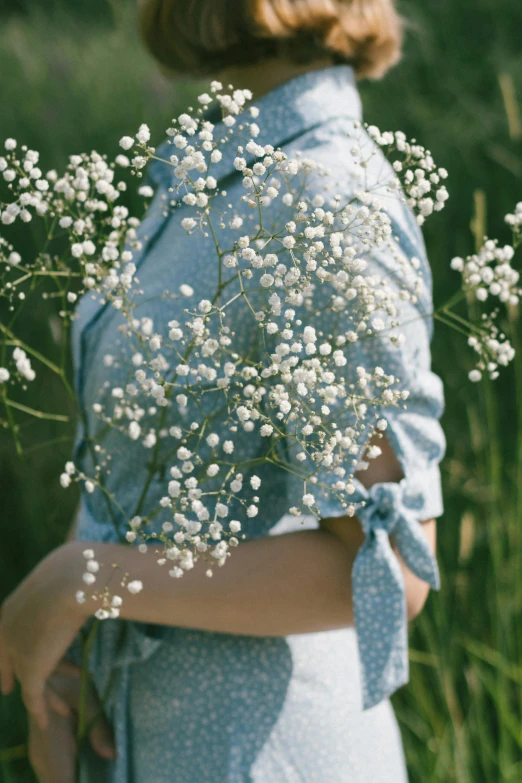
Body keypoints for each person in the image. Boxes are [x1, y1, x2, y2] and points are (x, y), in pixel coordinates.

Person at [0, 1, 447, 781]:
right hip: (144, 738)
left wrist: (90, 582)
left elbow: (385, 576)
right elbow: (140, 462)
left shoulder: (325, 196)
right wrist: (76, 657)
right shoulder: (226, 166)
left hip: (260, 755)